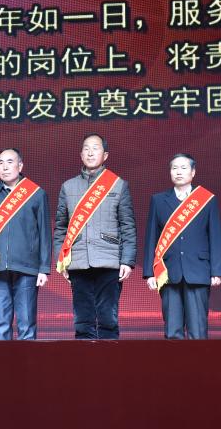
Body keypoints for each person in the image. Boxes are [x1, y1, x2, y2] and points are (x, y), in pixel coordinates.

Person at [53, 133, 135, 340]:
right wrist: (61, 260)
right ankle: (83, 359)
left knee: (108, 318)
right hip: (78, 261)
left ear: (105, 155)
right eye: (86, 149)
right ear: (81, 154)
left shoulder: (118, 184)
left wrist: (127, 261)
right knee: (82, 319)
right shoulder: (68, 187)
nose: (90, 153)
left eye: (95, 148)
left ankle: (110, 359)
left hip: (109, 260)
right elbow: (60, 227)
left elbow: (127, 226)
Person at [143, 153, 221, 339]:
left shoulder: (207, 199)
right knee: (172, 331)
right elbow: (151, 237)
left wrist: (217, 270)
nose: (178, 172)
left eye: (183, 168)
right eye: (174, 168)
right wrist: (149, 272)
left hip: (198, 270)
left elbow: (215, 236)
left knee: (198, 331)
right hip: (168, 271)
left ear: (193, 172)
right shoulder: (158, 200)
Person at [0, 148, 51, 340]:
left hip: (27, 269)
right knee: (1, 324)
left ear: (20, 166)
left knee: (27, 324)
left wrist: (44, 268)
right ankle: (1, 361)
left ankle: (27, 360)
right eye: (0, 163)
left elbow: (45, 234)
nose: (5, 167)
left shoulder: (36, 194)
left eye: (10, 162)